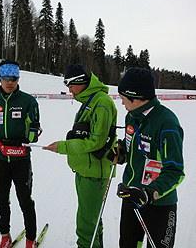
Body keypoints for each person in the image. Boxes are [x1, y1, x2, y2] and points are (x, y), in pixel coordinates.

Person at [43, 64, 117, 248]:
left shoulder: (102, 102)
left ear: (80, 82)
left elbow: (96, 142)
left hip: (95, 173)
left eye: (70, 85)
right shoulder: (89, 101)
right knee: (92, 219)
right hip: (84, 170)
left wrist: (63, 146)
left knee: (86, 222)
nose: (69, 91)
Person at [116, 68, 185, 248]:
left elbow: (175, 171)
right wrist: (120, 152)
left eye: (123, 97)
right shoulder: (132, 117)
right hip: (131, 196)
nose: (121, 101)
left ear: (137, 97)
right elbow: (130, 147)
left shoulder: (166, 122)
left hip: (159, 203)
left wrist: (149, 192)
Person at [0, 60, 42, 248]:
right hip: (0, 157)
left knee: (25, 200)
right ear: (0, 78)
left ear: (18, 78)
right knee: (1, 198)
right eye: (6, 78)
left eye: (14, 78)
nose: (10, 82)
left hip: (20, 157)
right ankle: (4, 236)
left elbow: (34, 128)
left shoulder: (28, 101)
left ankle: (30, 239)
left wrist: (29, 137)